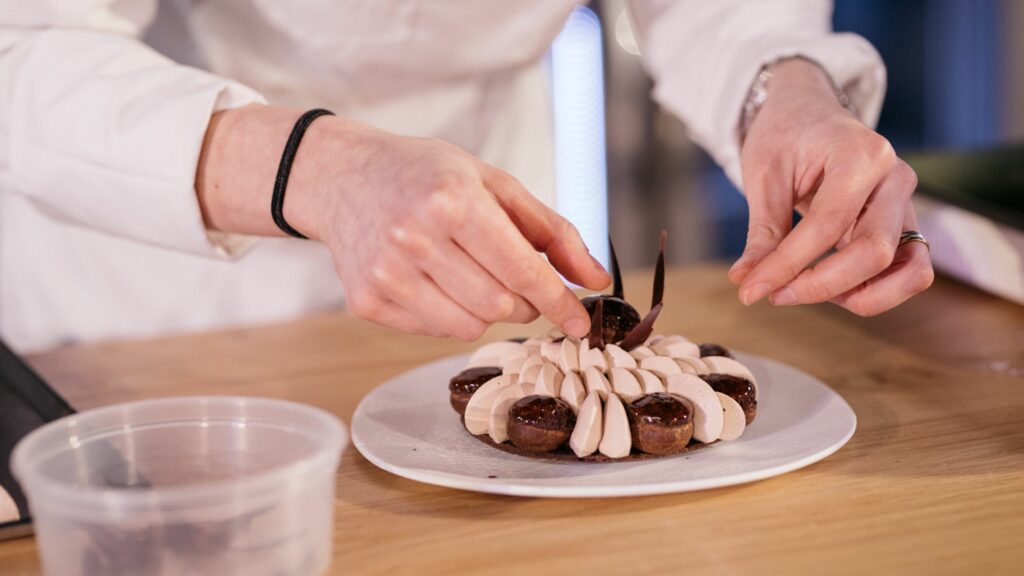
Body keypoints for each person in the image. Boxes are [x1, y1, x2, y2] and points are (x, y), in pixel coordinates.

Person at [0, 1, 933, 352]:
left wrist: (789, 90)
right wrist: (316, 169)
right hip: (154, 278)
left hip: (479, 256)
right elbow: (21, 45)